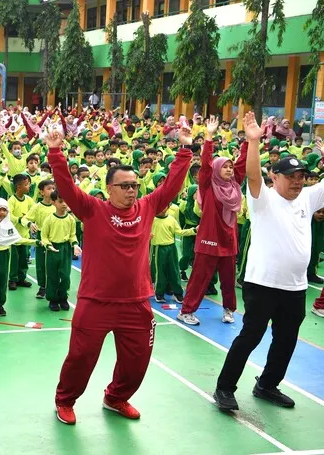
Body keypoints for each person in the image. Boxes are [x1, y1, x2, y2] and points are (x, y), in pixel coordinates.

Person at [46, 125, 192, 425]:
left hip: (136, 302)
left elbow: (171, 187)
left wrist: (185, 150)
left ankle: (116, 398)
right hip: (95, 302)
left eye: (134, 185)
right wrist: (56, 153)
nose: (131, 190)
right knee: (81, 358)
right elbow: (68, 187)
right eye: (124, 185)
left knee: (137, 360)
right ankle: (65, 400)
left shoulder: (148, 207)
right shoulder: (92, 209)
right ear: (109, 188)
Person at [213, 112, 324, 411]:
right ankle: (224, 388)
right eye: (292, 177)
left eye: (301, 177)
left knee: (287, 339)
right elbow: (251, 175)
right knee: (251, 335)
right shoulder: (264, 199)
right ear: (275, 177)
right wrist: (252, 142)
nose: (298, 182)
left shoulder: (308, 199)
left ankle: (267, 384)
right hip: (263, 283)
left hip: (295, 287)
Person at [178, 117, 248, 325]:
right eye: (225, 167)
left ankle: (229, 309)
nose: (228, 169)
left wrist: (249, 142)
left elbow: (243, 165)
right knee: (200, 277)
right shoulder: (208, 185)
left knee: (228, 279)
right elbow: (206, 164)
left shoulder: (235, 186)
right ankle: (186, 311)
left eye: (230, 167)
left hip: (229, 240)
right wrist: (209, 137)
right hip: (209, 239)